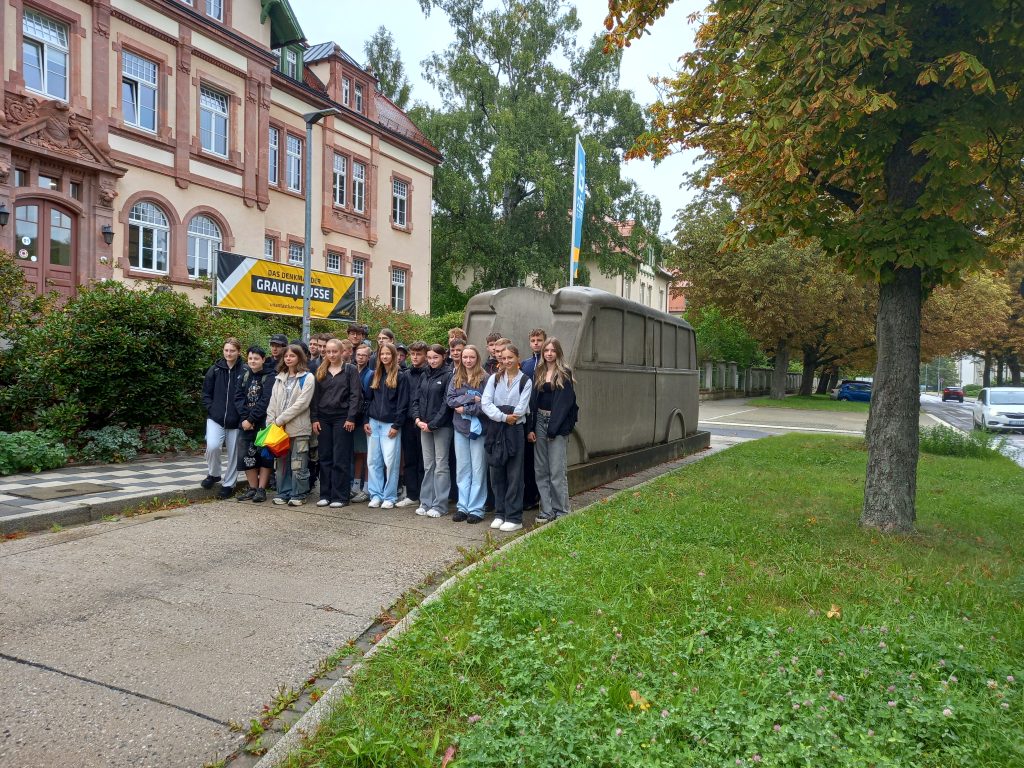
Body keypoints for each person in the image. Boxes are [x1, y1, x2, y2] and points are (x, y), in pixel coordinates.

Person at [481, 343, 532, 532]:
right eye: (504, 358)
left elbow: (520, 408)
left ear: (517, 358)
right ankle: (500, 512)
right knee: (496, 472)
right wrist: (503, 416)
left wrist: (510, 416)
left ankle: (514, 517)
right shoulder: (494, 379)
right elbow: (486, 403)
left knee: (514, 474)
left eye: (511, 357)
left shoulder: (525, 380)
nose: (507, 361)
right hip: (496, 430)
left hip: (515, 431)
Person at [527, 337, 578, 523]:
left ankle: (562, 511)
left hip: (557, 425)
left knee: (556, 470)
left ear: (558, 352)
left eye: (552, 350)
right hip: (539, 420)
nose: (549, 353)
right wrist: (531, 427)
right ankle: (547, 510)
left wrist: (553, 429)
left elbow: (565, 405)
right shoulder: (538, 372)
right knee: (540, 469)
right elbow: (533, 402)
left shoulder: (564, 373)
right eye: (546, 350)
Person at [311, 338, 361, 508]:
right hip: (324, 418)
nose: (331, 354)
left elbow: (356, 396)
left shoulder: (350, 370)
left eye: (335, 351)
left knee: (340, 457)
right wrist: (314, 418)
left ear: (342, 352)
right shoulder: (321, 370)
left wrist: (351, 417)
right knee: (325, 457)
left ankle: (340, 496)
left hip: (342, 418)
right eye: (328, 351)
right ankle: (325, 494)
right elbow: (315, 397)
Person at [265, 344, 315, 505]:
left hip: (299, 428)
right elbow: (272, 402)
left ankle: (299, 494)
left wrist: (280, 420)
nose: (288, 358)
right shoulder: (280, 377)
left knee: (298, 463)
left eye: (292, 356)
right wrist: (271, 422)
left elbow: (302, 404)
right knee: (281, 464)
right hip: (279, 430)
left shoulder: (307, 378)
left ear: (299, 357)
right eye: (286, 356)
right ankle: (284, 492)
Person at [363, 342, 409, 508]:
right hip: (374, 423)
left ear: (394, 356)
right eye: (382, 354)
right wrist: (365, 420)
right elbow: (367, 399)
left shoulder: (401, 376)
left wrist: (396, 425)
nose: (385, 357)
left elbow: (403, 403)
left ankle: (389, 496)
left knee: (391, 462)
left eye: (388, 354)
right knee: (373, 461)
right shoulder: (375, 374)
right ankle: (376, 494)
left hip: (390, 424)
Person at [446, 344, 488, 523]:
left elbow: (486, 404)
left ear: (477, 358)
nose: (468, 360)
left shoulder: (486, 378)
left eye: (471, 357)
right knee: (463, 468)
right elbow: (450, 400)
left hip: (479, 429)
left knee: (478, 468)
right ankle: (463, 506)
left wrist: (466, 408)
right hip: (460, 428)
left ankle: (477, 509)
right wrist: (471, 398)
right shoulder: (456, 377)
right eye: (465, 357)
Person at [412, 343, 453, 517]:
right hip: (424, 425)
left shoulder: (448, 375)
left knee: (441, 466)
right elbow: (416, 399)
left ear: (443, 357)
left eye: (435, 357)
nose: (432, 360)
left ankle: (440, 505)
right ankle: (426, 501)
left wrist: (433, 424)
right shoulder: (424, 374)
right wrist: (417, 419)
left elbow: (447, 403)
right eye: (429, 357)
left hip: (441, 426)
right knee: (428, 465)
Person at [201, 337, 243, 499]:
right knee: (212, 446)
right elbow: (206, 393)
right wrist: (211, 408)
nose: (229, 353)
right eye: (226, 350)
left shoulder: (244, 371)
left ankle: (229, 483)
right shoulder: (215, 369)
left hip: (236, 419)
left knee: (234, 453)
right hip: (215, 417)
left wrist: (243, 416)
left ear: (239, 352)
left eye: (232, 350)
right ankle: (214, 473)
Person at [234, 346, 276, 503]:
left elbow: (266, 400)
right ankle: (252, 488)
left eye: (256, 358)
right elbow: (238, 398)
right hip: (245, 424)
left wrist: (251, 419)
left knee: (264, 456)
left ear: (263, 360)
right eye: (250, 358)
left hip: (263, 423)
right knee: (246, 455)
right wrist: (245, 419)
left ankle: (261, 489)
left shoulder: (270, 376)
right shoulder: (244, 375)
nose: (253, 361)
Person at [519, 327, 548, 511]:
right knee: (528, 460)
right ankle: (529, 496)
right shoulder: (526, 364)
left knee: (542, 460)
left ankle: (543, 496)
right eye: (533, 340)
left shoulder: (549, 364)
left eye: (539, 340)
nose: (536, 343)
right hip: (527, 415)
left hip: (542, 415)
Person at [397, 340, 428, 507]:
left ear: (425, 355)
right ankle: (411, 494)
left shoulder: (429, 373)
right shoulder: (406, 374)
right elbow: (402, 399)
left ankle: (424, 496)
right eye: (413, 354)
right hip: (408, 422)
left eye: (419, 354)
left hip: (424, 422)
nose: (415, 357)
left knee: (424, 461)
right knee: (410, 459)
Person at [351, 344, 373, 502]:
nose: (361, 357)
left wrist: (365, 418)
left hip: (364, 419)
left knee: (366, 454)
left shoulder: (370, 374)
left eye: (364, 355)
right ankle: (355, 485)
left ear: (369, 357)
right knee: (356, 453)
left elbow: (369, 399)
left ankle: (366, 487)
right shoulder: (350, 371)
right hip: (352, 418)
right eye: (358, 354)